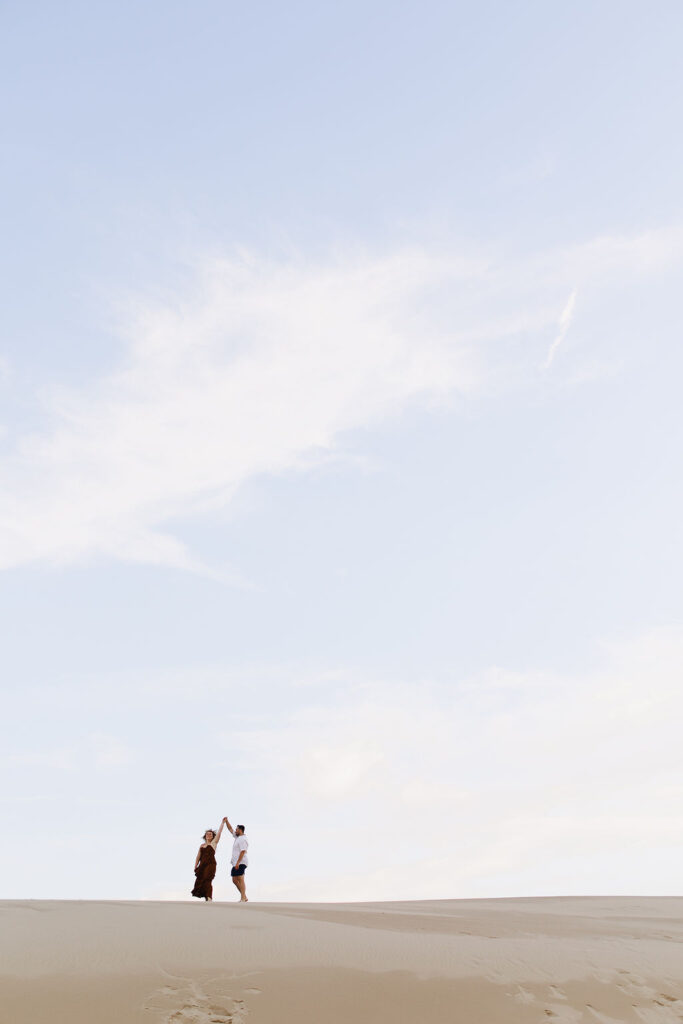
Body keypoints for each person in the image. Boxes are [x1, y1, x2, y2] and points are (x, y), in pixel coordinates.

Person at [191, 819, 226, 901]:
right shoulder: (201, 845)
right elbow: (198, 857)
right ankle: (206, 897)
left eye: (210, 834)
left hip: (211, 864)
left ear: (213, 836)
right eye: (207, 834)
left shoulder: (213, 843)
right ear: (205, 836)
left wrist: (222, 823)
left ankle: (209, 897)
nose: (208, 835)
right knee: (200, 880)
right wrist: (195, 866)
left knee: (208, 879)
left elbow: (219, 833)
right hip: (202, 865)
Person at [222, 816, 249, 902]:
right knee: (234, 880)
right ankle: (244, 896)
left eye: (236, 829)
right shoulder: (238, 837)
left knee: (241, 879)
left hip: (241, 862)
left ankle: (243, 898)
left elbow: (243, 851)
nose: (235, 830)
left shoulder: (243, 839)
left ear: (240, 830)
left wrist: (238, 863)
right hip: (235, 863)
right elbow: (230, 829)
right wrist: (226, 821)